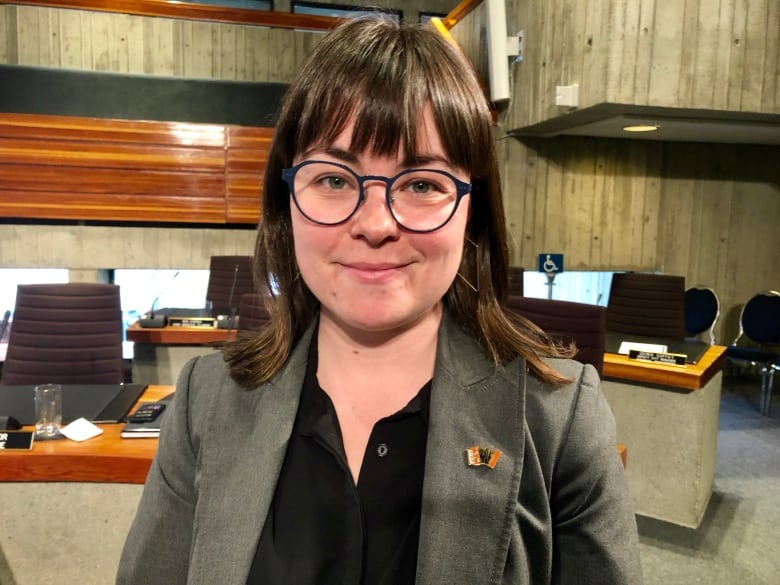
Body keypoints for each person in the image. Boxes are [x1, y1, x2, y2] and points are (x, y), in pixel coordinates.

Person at [116, 15, 642, 585]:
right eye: (335, 179)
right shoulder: (204, 402)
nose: (374, 224)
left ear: (472, 213)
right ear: (286, 202)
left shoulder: (558, 421)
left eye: (421, 184)